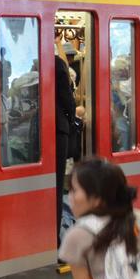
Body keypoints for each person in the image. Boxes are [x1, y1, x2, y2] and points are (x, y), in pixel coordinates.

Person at [55, 52, 76, 230]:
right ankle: (54, 234)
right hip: (58, 128)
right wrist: (70, 118)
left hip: (37, 129)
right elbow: (66, 96)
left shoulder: (35, 64)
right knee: (57, 181)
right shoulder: (57, 63)